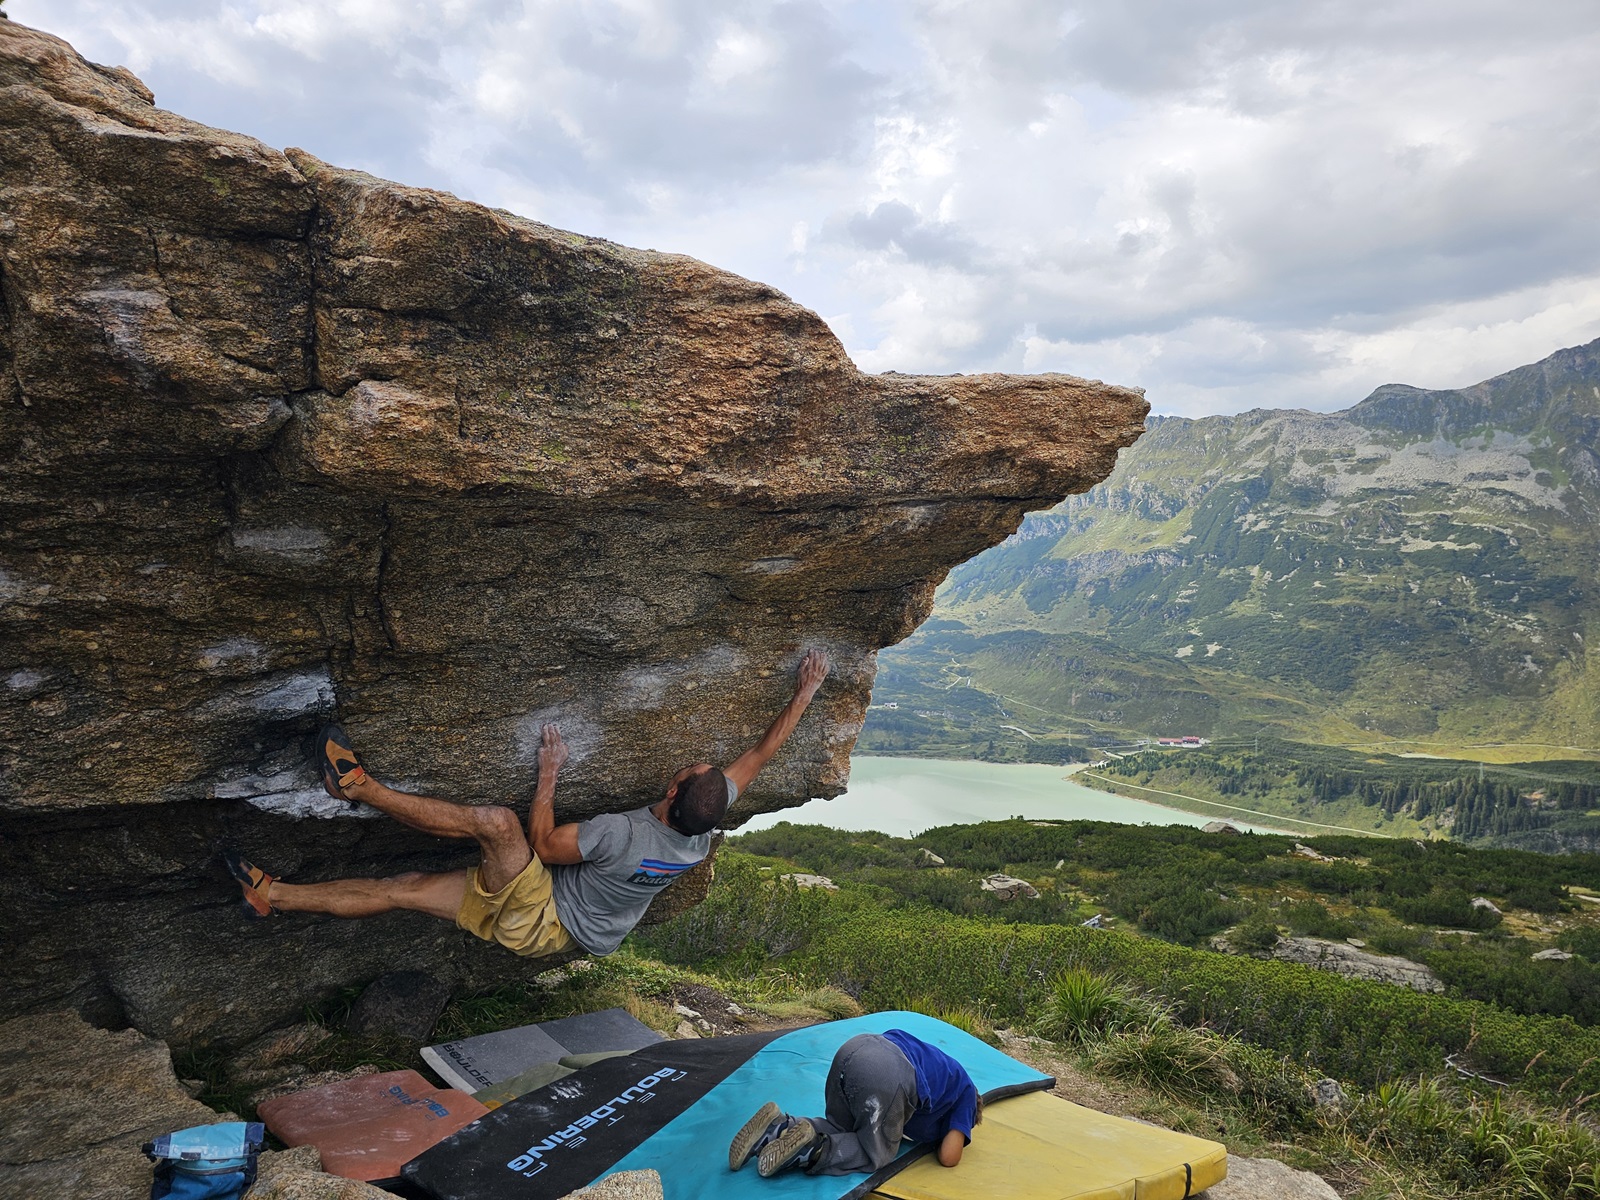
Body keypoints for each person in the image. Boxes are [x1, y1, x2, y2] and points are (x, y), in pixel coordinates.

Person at [223, 650, 831, 960]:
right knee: (402, 887)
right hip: (548, 924)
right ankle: (270, 895)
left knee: (498, 825)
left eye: (689, 770)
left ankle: (356, 788)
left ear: (672, 792)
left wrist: (548, 774)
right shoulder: (698, 832)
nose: (702, 767)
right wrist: (805, 691)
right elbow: (761, 753)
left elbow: (541, 846)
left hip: (540, 914)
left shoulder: (621, 834)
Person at [728, 1029, 982, 1179]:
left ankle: (779, 1127)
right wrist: (959, 1128)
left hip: (855, 1049)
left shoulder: (944, 1071)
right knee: (875, 1153)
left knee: (839, 1127)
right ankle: (812, 1151)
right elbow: (950, 1156)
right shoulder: (967, 1093)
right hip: (888, 1072)